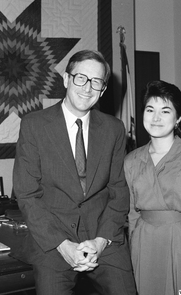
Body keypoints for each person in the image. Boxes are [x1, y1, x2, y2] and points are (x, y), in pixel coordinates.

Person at [13, 50, 137, 295]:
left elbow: (119, 192)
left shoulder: (114, 129)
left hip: (103, 237)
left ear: (102, 90)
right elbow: (27, 195)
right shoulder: (34, 125)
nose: (87, 88)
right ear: (66, 79)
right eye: (81, 78)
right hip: (54, 240)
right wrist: (63, 245)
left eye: (96, 82)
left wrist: (101, 242)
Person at [124, 80, 181, 294]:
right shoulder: (131, 160)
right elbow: (131, 215)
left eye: (165, 111)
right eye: (150, 110)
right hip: (144, 247)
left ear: (178, 118)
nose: (156, 118)